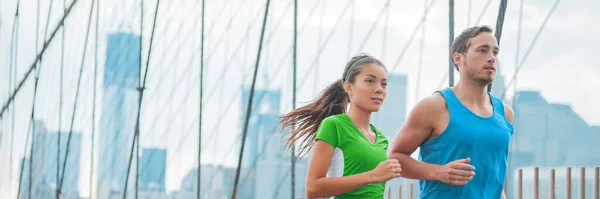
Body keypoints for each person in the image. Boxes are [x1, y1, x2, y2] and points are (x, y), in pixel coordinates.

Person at [387, 25, 514, 199]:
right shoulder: (434, 107)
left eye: (495, 52)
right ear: (458, 58)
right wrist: (438, 172)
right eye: (482, 50)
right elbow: (394, 158)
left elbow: (494, 176)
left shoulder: (505, 113)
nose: (491, 58)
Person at [279, 54, 402, 199]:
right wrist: (373, 175)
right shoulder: (334, 125)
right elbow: (313, 189)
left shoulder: (381, 139)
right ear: (349, 87)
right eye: (370, 81)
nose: (379, 89)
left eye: (384, 84)